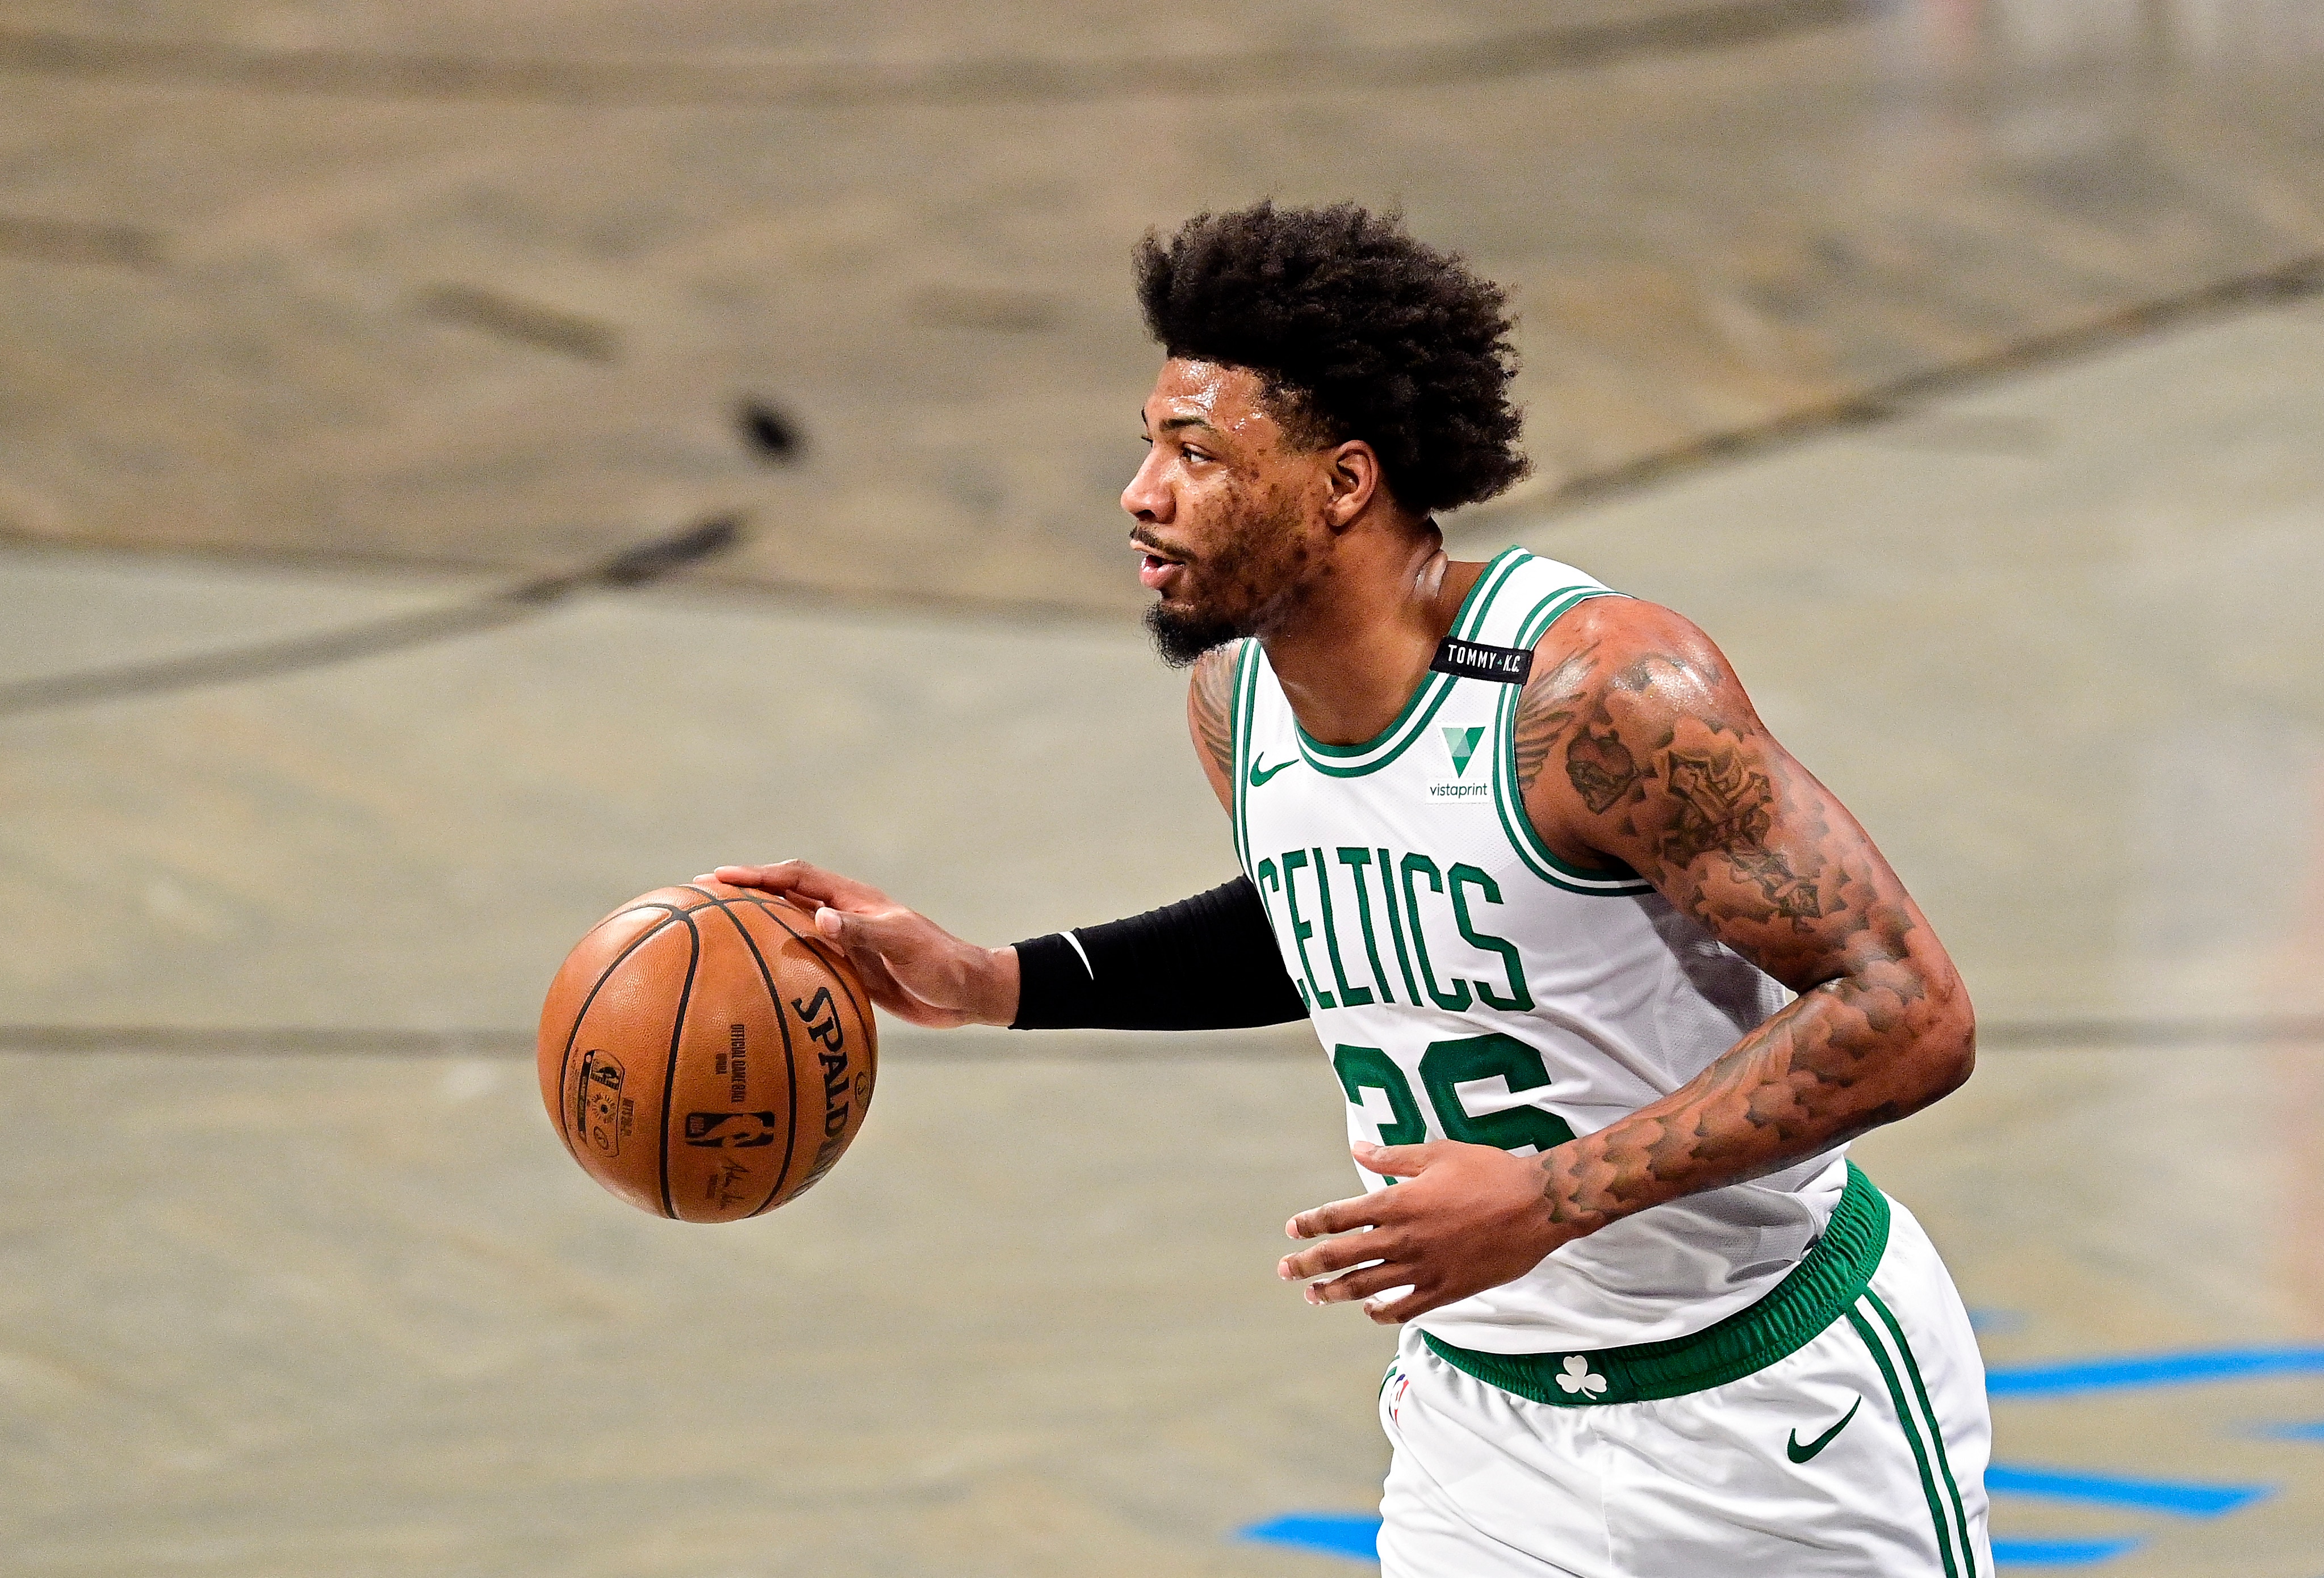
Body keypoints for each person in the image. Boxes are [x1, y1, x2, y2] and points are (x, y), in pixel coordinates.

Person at [716, 201, 1991, 1577]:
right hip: (1487, 1445)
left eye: (1196, 453)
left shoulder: (1599, 694)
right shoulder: (1239, 704)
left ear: (1343, 482)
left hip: (1776, 1415)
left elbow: (1911, 1009)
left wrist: (1548, 1196)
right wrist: (1001, 979)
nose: (1140, 492)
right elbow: (1343, 918)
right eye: (1148, 440)